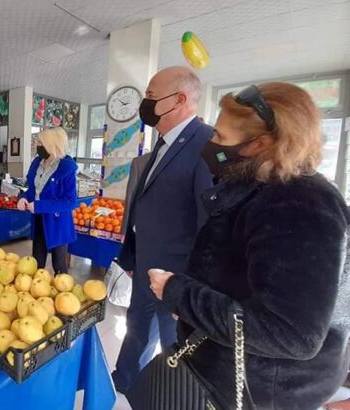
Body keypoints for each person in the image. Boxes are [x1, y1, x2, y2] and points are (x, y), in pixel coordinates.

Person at [147, 82, 350, 409]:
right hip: (224, 374)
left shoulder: (299, 206)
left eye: (220, 138)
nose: (211, 144)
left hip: (254, 391)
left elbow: (290, 333)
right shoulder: (262, 187)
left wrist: (181, 294)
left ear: (261, 144)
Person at [112, 66, 214, 393]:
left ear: (180, 99)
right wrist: (131, 256)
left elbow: (209, 224)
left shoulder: (205, 144)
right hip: (144, 266)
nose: (146, 102)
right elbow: (144, 205)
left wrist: (190, 287)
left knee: (175, 346)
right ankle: (125, 383)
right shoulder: (163, 142)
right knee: (136, 330)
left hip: (176, 278)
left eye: (152, 96)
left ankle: (170, 395)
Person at [17, 127, 77, 274]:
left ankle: (63, 294)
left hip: (57, 223)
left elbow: (70, 201)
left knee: (59, 264)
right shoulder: (37, 162)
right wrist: (23, 198)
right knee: (37, 260)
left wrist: (39, 206)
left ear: (52, 144)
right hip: (38, 218)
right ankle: (36, 289)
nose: (37, 146)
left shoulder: (66, 168)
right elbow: (31, 189)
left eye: (40, 143)